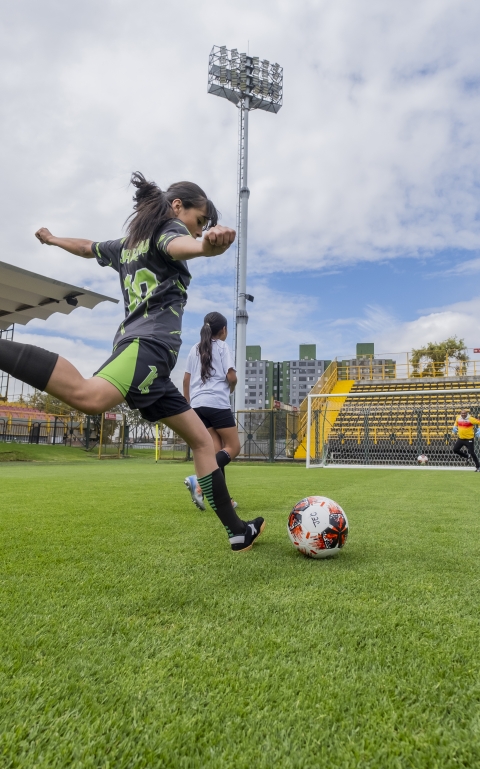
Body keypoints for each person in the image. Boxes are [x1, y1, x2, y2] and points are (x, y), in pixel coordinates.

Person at [0, 172, 265, 551]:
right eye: (200, 219)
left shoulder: (127, 244)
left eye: (204, 225)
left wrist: (54, 239)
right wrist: (207, 247)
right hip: (146, 348)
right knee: (89, 396)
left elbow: (87, 247)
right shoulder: (168, 232)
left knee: (203, 442)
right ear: (177, 208)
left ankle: (237, 531)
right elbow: (180, 246)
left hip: (153, 365)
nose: (200, 227)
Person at [183, 312, 240, 511]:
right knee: (233, 447)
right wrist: (231, 389)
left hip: (197, 405)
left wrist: (189, 407)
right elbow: (231, 377)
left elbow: (186, 381)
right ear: (223, 330)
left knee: (216, 450)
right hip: (217, 402)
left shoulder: (194, 349)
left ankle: (223, 501)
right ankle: (199, 481)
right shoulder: (223, 346)